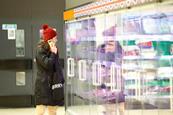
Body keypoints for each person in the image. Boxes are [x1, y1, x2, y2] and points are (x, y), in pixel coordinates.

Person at [35, 24, 64, 115]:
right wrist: (53, 53)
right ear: (49, 40)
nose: (56, 40)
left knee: (53, 110)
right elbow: (48, 64)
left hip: (54, 84)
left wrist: (61, 78)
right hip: (43, 85)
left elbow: (57, 66)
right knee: (41, 110)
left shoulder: (54, 49)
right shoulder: (40, 50)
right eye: (55, 38)